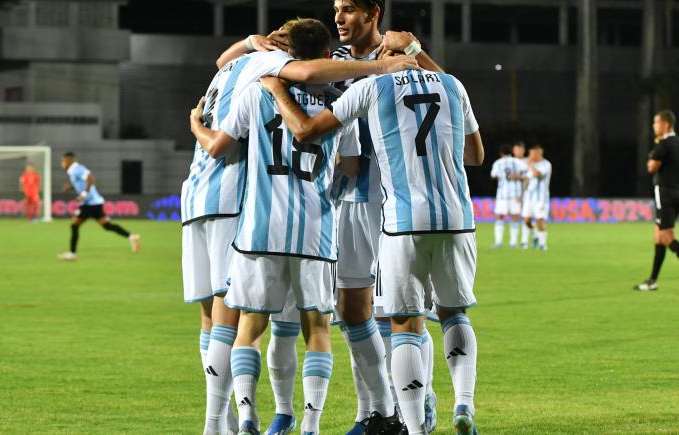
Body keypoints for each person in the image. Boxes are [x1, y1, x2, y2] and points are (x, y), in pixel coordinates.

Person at [185, 18, 419, 435]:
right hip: (316, 229)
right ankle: (311, 424)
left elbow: (222, 143)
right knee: (318, 328)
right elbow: (349, 163)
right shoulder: (335, 103)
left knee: (248, 326)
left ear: (285, 54)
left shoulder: (259, 92)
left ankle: (245, 419)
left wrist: (196, 125)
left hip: (256, 227)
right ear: (326, 53)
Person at [260, 60, 484, 435]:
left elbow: (308, 131)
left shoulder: (370, 87)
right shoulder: (452, 83)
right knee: (454, 313)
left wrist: (277, 89)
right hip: (458, 218)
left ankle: (413, 428)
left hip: (401, 222)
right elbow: (475, 156)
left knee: (404, 325)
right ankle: (464, 402)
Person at [327, 2, 445, 433]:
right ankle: (375, 408)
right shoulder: (331, 63)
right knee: (349, 310)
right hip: (346, 199)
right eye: (335, 8)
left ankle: (419, 399)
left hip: (396, 199)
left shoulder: (399, 61)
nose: (339, 17)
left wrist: (414, 50)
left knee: (402, 309)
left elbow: (445, 88)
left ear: (372, 13)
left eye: (348, 9)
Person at [57, 152, 140, 261]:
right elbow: (81, 182)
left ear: (69, 160)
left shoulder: (77, 168)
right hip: (94, 203)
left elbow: (90, 179)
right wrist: (71, 187)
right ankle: (132, 237)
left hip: (89, 204)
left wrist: (84, 194)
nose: (62, 163)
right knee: (107, 226)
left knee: (74, 225)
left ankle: (72, 254)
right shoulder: (72, 171)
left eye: (63, 161)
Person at [635, 110, 679, 291]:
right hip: (677, 191)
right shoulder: (678, 142)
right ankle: (652, 280)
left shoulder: (664, 144)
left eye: (656, 123)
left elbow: (652, 167)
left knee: (666, 236)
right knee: (658, 236)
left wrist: (652, 157)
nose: (654, 126)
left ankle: (652, 281)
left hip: (665, 193)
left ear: (666, 124)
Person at [490, 145, 527, 248]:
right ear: (511, 152)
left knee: (499, 217)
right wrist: (518, 176)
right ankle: (513, 243)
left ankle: (498, 242)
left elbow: (493, 175)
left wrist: (500, 176)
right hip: (515, 194)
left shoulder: (498, 162)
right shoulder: (518, 162)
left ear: (501, 153)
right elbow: (526, 175)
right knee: (514, 218)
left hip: (502, 195)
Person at [520, 145, 552, 251]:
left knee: (540, 220)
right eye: (530, 153)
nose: (531, 156)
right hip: (529, 197)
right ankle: (535, 236)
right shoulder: (530, 165)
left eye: (533, 153)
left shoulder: (545, 164)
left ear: (539, 153)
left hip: (541, 198)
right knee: (526, 220)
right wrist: (521, 194)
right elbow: (527, 180)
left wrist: (529, 164)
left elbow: (537, 174)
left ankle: (543, 245)